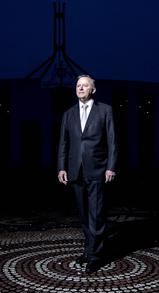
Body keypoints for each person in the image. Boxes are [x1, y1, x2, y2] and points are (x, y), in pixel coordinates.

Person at [57, 75, 118, 273]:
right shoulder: (68, 114)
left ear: (93, 90)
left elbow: (112, 141)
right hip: (75, 171)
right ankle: (89, 249)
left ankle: (95, 256)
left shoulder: (105, 110)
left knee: (96, 214)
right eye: (78, 85)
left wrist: (111, 166)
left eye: (84, 85)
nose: (80, 88)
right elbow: (63, 143)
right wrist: (61, 167)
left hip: (98, 170)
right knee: (84, 215)